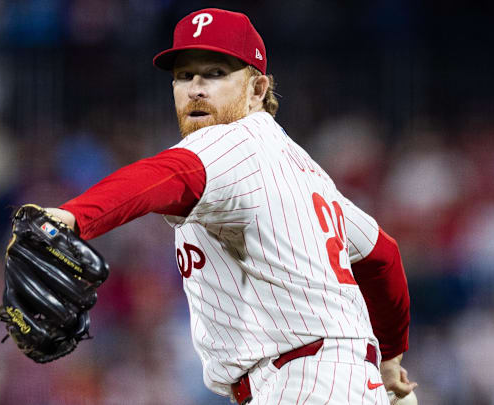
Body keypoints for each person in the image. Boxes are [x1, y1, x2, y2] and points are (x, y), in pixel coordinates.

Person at [44, 8, 416, 404]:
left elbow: (167, 173)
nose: (196, 88)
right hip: (337, 379)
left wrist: (68, 218)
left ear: (257, 89)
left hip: (303, 382)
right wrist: (389, 361)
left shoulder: (230, 142)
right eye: (185, 76)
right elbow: (382, 255)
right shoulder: (300, 170)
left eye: (215, 73)